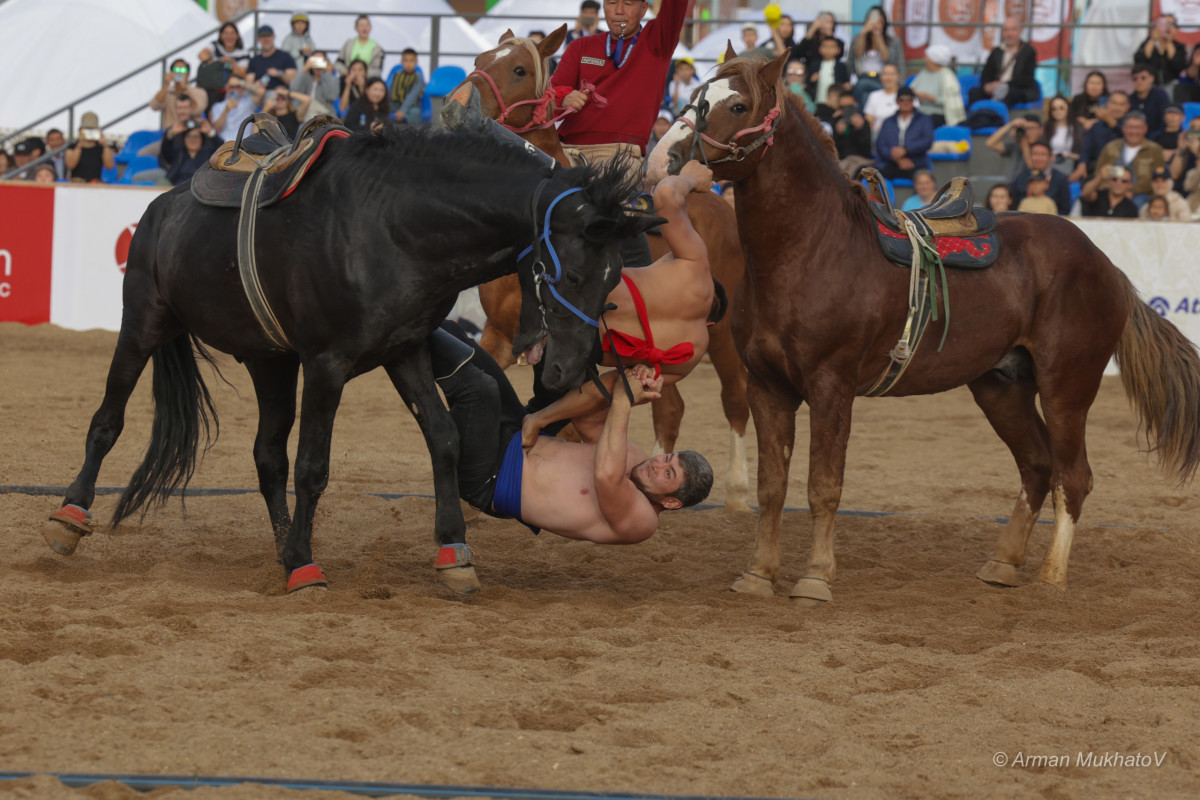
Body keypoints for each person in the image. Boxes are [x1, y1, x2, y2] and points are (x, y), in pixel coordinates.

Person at [427, 326, 712, 544]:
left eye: (668, 474)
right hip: (519, 432)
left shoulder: (642, 522)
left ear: (672, 502)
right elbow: (588, 418)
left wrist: (624, 401)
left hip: (491, 478)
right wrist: (630, 379)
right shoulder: (636, 459)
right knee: (454, 334)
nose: (658, 464)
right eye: (667, 458)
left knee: (480, 390)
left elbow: (606, 477)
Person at [521, 161, 718, 432]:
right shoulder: (691, 355)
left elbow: (665, 196)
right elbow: (604, 390)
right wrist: (540, 418)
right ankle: (533, 421)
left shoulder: (697, 269)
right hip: (571, 354)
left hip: (568, 288)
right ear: (711, 323)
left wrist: (690, 179)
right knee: (583, 424)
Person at [548, 0, 691, 175]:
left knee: (594, 199)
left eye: (628, 4)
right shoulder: (580, 46)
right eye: (612, 2)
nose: (619, 11)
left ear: (644, 9)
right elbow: (549, 94)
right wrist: (565, 97)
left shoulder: (658, 41)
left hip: (619, 155)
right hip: (564, 148)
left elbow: (675, 6)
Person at [1095, 111, 1165, 205]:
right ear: (1123, 128)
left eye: (1138, 128)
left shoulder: (1155, 150)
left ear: (1145, 129)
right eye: (1130, 127)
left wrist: (1130, 190)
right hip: (1110, 193)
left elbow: (1158, 180)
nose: (1133, 132)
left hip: (1140, 195)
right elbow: (1099, 174)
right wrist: (1117, 191)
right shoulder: (1110, 148)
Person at [971, 16, 1038, 107]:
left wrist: (1003, 85)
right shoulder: (997, 51)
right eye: (1006, 30)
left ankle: (996, 118)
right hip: (995, 87)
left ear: (1020, 31)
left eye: (1013, 30)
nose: (1009, 34)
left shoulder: (1028, 51)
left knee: (1007, 94)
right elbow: (986, 73)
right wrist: (987, 86)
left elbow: (1026, 79)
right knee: (974, 93)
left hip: (1016, 88)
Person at [873, 86, 932, 181]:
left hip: (916, 163)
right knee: (874, 177)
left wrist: (906, 150)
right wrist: (895, 157)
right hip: (890, 163)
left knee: (922, 179)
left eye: (909, 99)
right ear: (897, 101)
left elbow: (927, 141)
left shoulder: (924, 119)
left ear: (913, 101)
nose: (906, 102)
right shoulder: (888, 121)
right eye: (902, 99)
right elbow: (880, 145)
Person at [849, 6, 904, 107]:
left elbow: (888, 60)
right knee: (865, 96)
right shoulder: (858, 38)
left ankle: (863, 121)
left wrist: (878, 37)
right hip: (862, 76)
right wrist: (863, 34)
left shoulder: (894, 41)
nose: (875, 24)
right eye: (872, 20)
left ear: (884, 23)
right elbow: (857, 54)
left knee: (862, 85)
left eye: (879, 21)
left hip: (883, 79)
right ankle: (867, 121)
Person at [1071, 90, 1130, 183]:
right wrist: (1082, 164)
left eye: (1122, 104)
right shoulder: (1097, 126)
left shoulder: (1132, 127)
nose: (1117, 107)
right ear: (1107, 104)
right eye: (1114, 103)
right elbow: (1086, 149)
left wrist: (1108, 119)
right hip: (1096, 171)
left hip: (1122, 174)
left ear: (1128, 107)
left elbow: (1125, 134)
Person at [909, 44, 964, 128]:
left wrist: (930, 98)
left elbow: (951, 102)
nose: (924, 59)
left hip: (938, 115)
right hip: (919, 112)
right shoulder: (923, 73)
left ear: (934, 60)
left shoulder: (947, 76)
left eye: (926, 57)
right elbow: (911, 89)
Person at [1011, 142, 1071, 215]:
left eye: (1043, 154)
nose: (1038, 158)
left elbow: (1065, 209)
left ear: (1051, 157)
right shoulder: (1021, 176)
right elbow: (1013, 203)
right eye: (1035, 154)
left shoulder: (1060, 179)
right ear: (1030, 157)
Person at [150, 59, 209, 130]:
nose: (180, 73)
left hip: (193, 132)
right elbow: (154, 106)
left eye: (183, 70)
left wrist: (184, 88)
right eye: (177, 69)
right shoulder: (167, 92)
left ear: (188, 74)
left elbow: (197, 110)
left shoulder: (199, 92)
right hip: (172, 133)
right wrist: (166, 84)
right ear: (171, 72)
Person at [986, 112, 1044, 184]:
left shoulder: (1043, 148)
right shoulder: (1016, 145)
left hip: (1027, 188)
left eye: (1032, 128)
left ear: (1041, 130)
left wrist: (1023, 141)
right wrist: (1011, 125)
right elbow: (990, 143)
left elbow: (1031, 167)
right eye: (1026, 129)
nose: (1028, 132)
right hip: (1010, 186)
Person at [160, 121, 222, 186]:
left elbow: (222, 150)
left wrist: (210, 132)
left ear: (202, 140)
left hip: (200, 190)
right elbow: (165, 150)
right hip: (177, 189)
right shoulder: (178, 153)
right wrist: (171, 133)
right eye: (189, 136)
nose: (192, 140)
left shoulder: (208, 154)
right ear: (184, 139)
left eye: (196, 137)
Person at [1134, 14, 1186, 88]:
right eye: (1164, 24)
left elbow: (1178, 65)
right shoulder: (1149, 42)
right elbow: (1140, 60)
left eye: (1171, 24)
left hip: (1172, 83)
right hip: (1150, 85)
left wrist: (1168, 42)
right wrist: (1153, 39)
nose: (1167, 27)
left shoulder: (1179, 46)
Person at [64, 112, 115, 183]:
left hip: (94, 185)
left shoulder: (101, 148)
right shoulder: (73, 147)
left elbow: (109, 166)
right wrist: (79, 145)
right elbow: (70, 165)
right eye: (87, 129)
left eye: (92, 130)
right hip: (76, 184)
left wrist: (105, 144)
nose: (90, 132)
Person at [832, 93, 873, 178]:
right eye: (843, 107)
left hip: (860, 160)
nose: (846, 110)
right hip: (842, 161)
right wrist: (839, 134)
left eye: (849, 107)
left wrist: (860, 129)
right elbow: (833, 151)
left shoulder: (863, 123)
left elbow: (866, 150)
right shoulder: (836, 122)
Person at [806, 37, 850, 115]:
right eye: (825, 46)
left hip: (835, 104)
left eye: (832, 47)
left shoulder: (841, 66)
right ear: (819, 49)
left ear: (838, 50)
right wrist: (812, 80)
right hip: (818, 102)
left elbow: (846, 83)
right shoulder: (814, 65)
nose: (828, 49)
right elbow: (808, 84)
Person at [210, 76, 262, 141]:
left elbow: (261, 92)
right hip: (225, 145)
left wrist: (241, 83)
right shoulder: (217, 106)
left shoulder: (248, 102)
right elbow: (217, 128)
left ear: (243, 88)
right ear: (226, 87)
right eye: (231, 87)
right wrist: (226, 110)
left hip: (244, 144)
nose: (234, 89)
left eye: (237, 87)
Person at [290, 53, 340, 120]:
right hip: (304, 114)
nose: (318, 64)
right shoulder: (305, 76)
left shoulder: (331, 78)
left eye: (321, 61)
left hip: (325, 115)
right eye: (315, 60)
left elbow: (332, 95)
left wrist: (327, 73)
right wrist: (304, 69)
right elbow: (293, 89)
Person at [1041, 95, 1083, 173]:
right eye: (1054, 109)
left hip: (1072, 166)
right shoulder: (1045, 128)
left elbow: (1084, 154)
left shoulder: (1078, 128)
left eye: (1062, 108)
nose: (1058, 111)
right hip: (1048, 166)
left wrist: (1069, 155)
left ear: (1068, 109)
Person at [863, 63, 908, 136]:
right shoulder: (874, 96)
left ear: (898, 76)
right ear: (880, 77)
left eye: (892, 74)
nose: (888, 78)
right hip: (879, 135)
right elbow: (869, 120)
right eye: (885, 74)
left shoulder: (907, 95)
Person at [248, 26, 298, 92]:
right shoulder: (254, 61)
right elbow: (248, 85)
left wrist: (279, 74)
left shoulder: (285, 57)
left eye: (268, 36)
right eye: (263, 37)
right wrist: (257, 85)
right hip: (261, 96)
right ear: (258, 39)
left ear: (274, 37)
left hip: (282, 97)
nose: (266, 39)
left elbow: (294, 83)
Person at [1129, 64, 1171, 139]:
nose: (1139, 81)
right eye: (1135, 79)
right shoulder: (1130, 99)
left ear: (1152, 78)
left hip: (1158, 138)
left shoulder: (1160, 95)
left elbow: (1164, 121)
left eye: (1143, 78)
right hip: (1134, 139)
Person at [388, 49, 425, 126]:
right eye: (406, 60)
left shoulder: (417, 76)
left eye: (411, 61)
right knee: (383, 111)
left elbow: (413, 95)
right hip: (396, 104)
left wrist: (402, 110)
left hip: (411, 106)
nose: (408, 63)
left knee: (415, 113)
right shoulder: (397, 74)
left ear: (416, 62)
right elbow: (391, 91)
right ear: (402, 61)